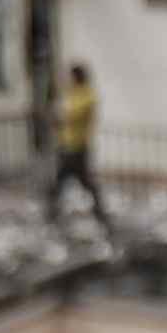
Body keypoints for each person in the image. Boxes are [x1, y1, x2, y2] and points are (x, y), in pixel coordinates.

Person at [42, 60, 111, 229]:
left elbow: (66, 115)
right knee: (76, 181)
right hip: (67, 145)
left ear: (77, 77)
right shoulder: (72, 94)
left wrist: (58, 114)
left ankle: (53, 212)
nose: (67, 80)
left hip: (77, 146)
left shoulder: (86, 96)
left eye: (69, 76)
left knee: (69, 181)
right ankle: (97, 212)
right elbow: (58, 114)